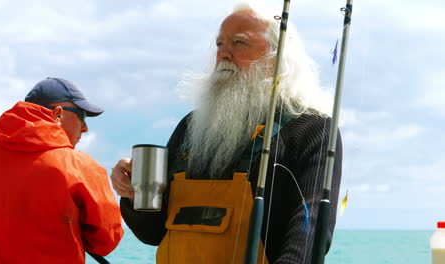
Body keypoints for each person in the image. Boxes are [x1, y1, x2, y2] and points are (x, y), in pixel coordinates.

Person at [111, 3, 342, 264]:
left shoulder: (312, 128)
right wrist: (132, 196)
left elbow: (309, 232)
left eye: (239, 43)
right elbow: (153, 232)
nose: (224, 54)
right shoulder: (191, 127)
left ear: (277, 58)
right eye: (219, 44)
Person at [0, 77, 124, 263]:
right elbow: (105, 242)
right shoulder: (79, 166)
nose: (85, 128)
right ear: (58, 115)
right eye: (81, 116)